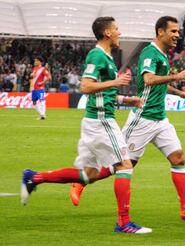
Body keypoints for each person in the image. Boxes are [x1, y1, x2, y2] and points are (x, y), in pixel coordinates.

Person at [70, 16, 185, 221]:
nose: (177, 35)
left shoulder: (162, 55)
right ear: (160, 31)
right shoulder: (149, 52)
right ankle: (82, 181)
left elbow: (158, 84)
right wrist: (176, 76)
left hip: (160, 119)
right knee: (122, 164)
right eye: (173, 31)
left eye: (178, 32)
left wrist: (179, 93)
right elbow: (148, 79)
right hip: (142, 119)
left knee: (178, 157)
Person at [20, 16, 152, 234]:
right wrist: (116, 82)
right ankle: (123, 223)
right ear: (107, 33)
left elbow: (103, 92)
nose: (120, 32)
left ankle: (35, 177)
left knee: (87, 175)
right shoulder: (97, 54)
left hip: (94, 120)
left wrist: (126, 100)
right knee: (125, 166)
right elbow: (86, 86)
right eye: (117, 29)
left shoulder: (107, 57)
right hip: (101, 120)